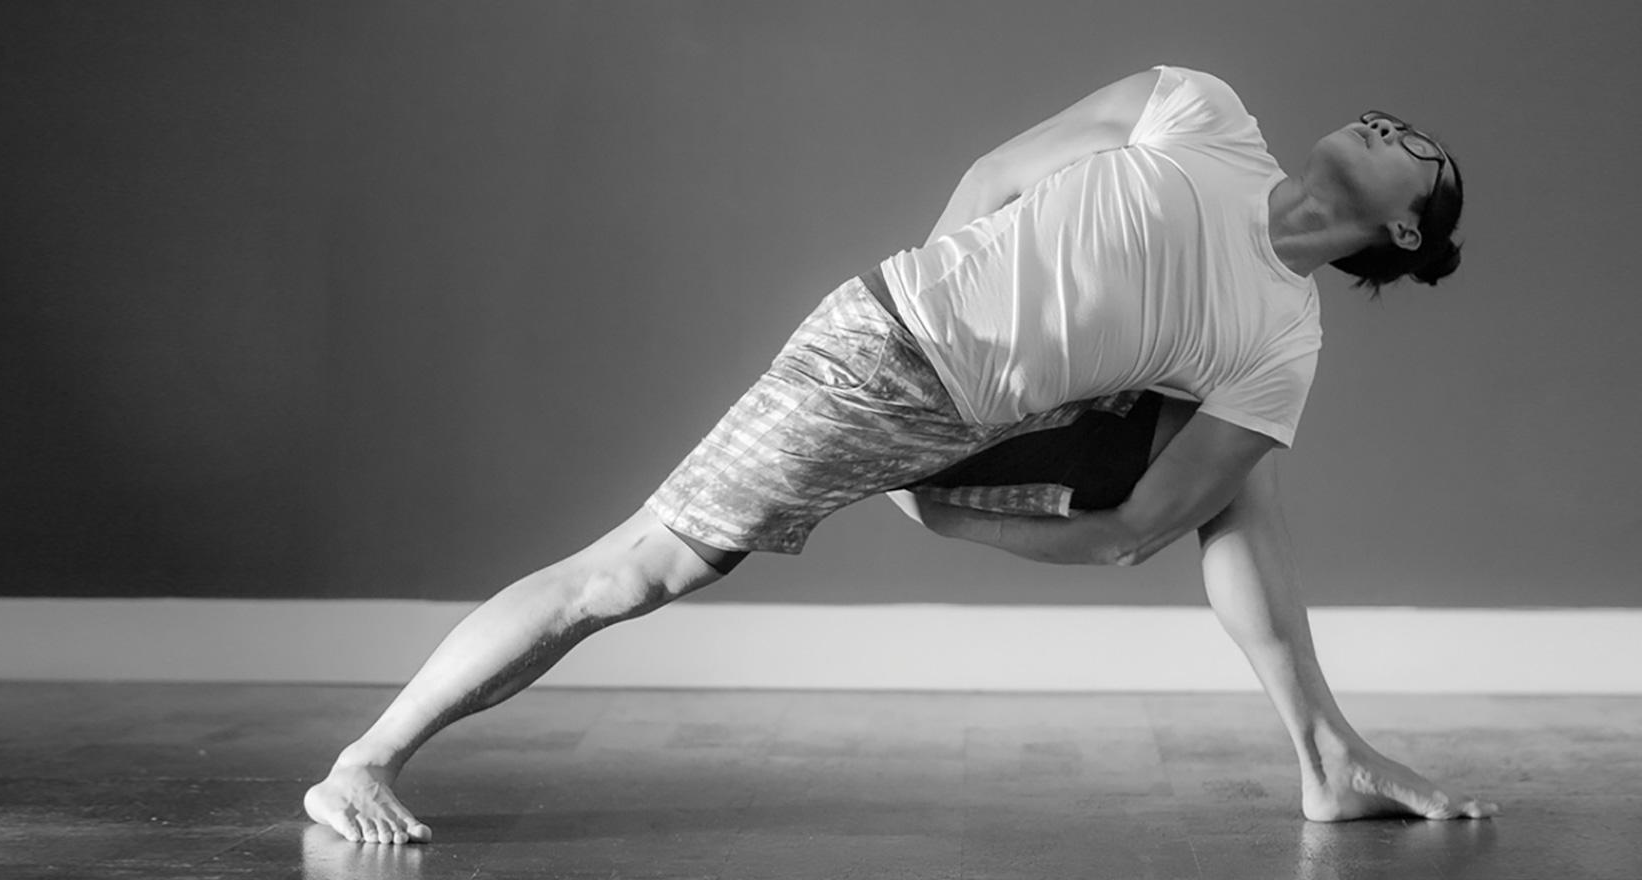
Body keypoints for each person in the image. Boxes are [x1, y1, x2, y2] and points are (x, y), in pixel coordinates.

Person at [305, 64, 1482, 845]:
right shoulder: (1202, 110)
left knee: (1238, 470)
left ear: (1408, 228)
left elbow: (1142, 529)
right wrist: (943, 314)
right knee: (633, 575)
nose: (1389, 125)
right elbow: (993, 178)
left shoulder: (1283, 335)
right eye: (1384, 116)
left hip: (985, 430)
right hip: (879, 355)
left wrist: (945, 514)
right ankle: (364, 759)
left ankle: (1324, 754)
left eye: (1414, 147)